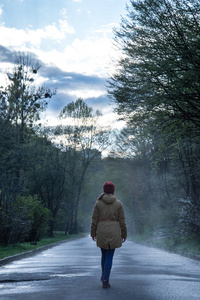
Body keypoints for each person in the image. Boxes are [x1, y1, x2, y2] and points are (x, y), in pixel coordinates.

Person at [90, 181, 127, 288]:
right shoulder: (118, 204)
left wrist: (93, 233)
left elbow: (94, 220)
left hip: (102, 231)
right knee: (110, 255)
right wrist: (124, 234)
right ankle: (105, 279)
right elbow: (122, 221)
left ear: (104, 190)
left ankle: (104, 276)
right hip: (114, 231)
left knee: (104, 254)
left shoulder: (98, 203)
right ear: (113, 191)